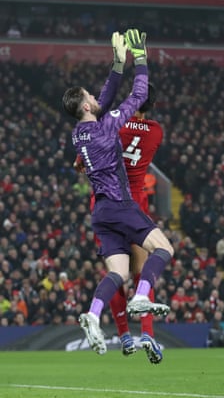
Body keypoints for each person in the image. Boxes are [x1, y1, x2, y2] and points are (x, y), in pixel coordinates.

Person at [62, 29, 174, 359]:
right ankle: (142, 297)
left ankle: (94, 316)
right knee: (163, 248)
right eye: (90, 96)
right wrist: (139, 58)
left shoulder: (78, 133)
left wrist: (116, 63)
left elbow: (104, 99)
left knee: (116, 273)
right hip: (123, 203)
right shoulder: (110, 125)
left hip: (100, 212)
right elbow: (136, 96)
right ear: (86, 104)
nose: (97, 98)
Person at [74, 82, 164, 363]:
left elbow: (81, 163)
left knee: (116, 272)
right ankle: (147, 334)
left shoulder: (113, 126)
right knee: (141, 273)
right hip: (137, 201)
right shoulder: (157, 131)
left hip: (106, 200)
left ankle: (124, 335)